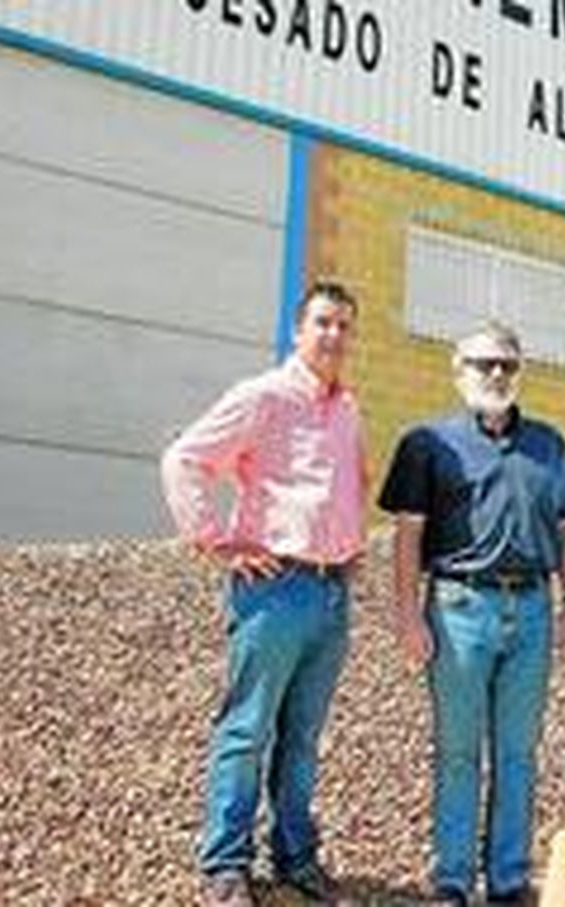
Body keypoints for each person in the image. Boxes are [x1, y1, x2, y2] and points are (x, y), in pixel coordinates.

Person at [161, 281, 367, 907]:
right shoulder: (263, 397)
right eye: (323, 323)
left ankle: (296, 859)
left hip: (332, 594)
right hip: (274, 591)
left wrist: (350, 548)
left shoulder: (348, 408)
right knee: (248, 729)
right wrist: (216, 540)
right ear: (298, 330)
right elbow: (184, 460)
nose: (333, 335)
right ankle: (226, 864)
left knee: (302, 736)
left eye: (343, 326)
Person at [379, 322, 565, 905]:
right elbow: (406, 535)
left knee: (519, 753)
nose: (495, 375)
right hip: (458, 610)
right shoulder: (427, 444)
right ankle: (451, 880)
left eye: (507, 365)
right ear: (458, 369)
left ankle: (507, 880)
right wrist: (406, 615)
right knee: (457, 751)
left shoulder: (549, 445)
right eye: (483, 364)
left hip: (532, 612)